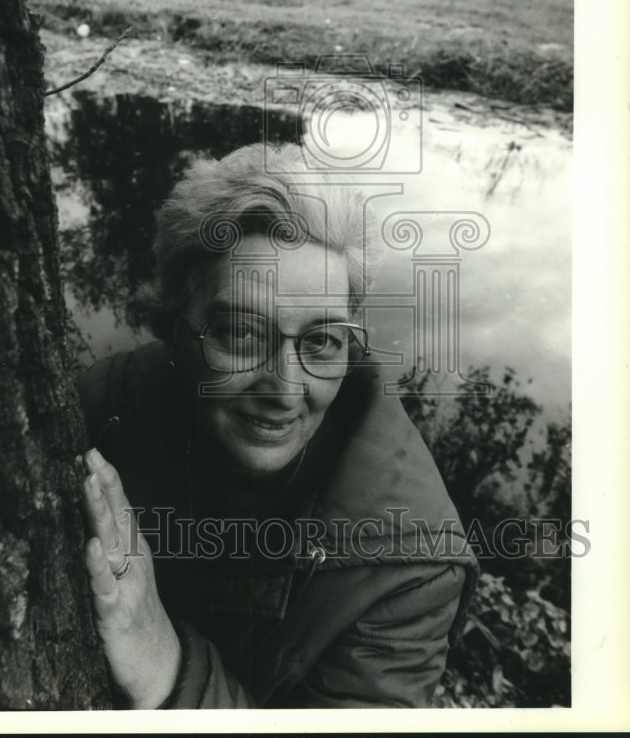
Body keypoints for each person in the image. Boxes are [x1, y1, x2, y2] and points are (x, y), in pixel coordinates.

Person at [78, 142, 478, 709]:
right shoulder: (107, 402)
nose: (285, 389)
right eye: (242, 332)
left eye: (321, 341)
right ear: (173, 326)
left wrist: (166, 665)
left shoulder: (409, 567)